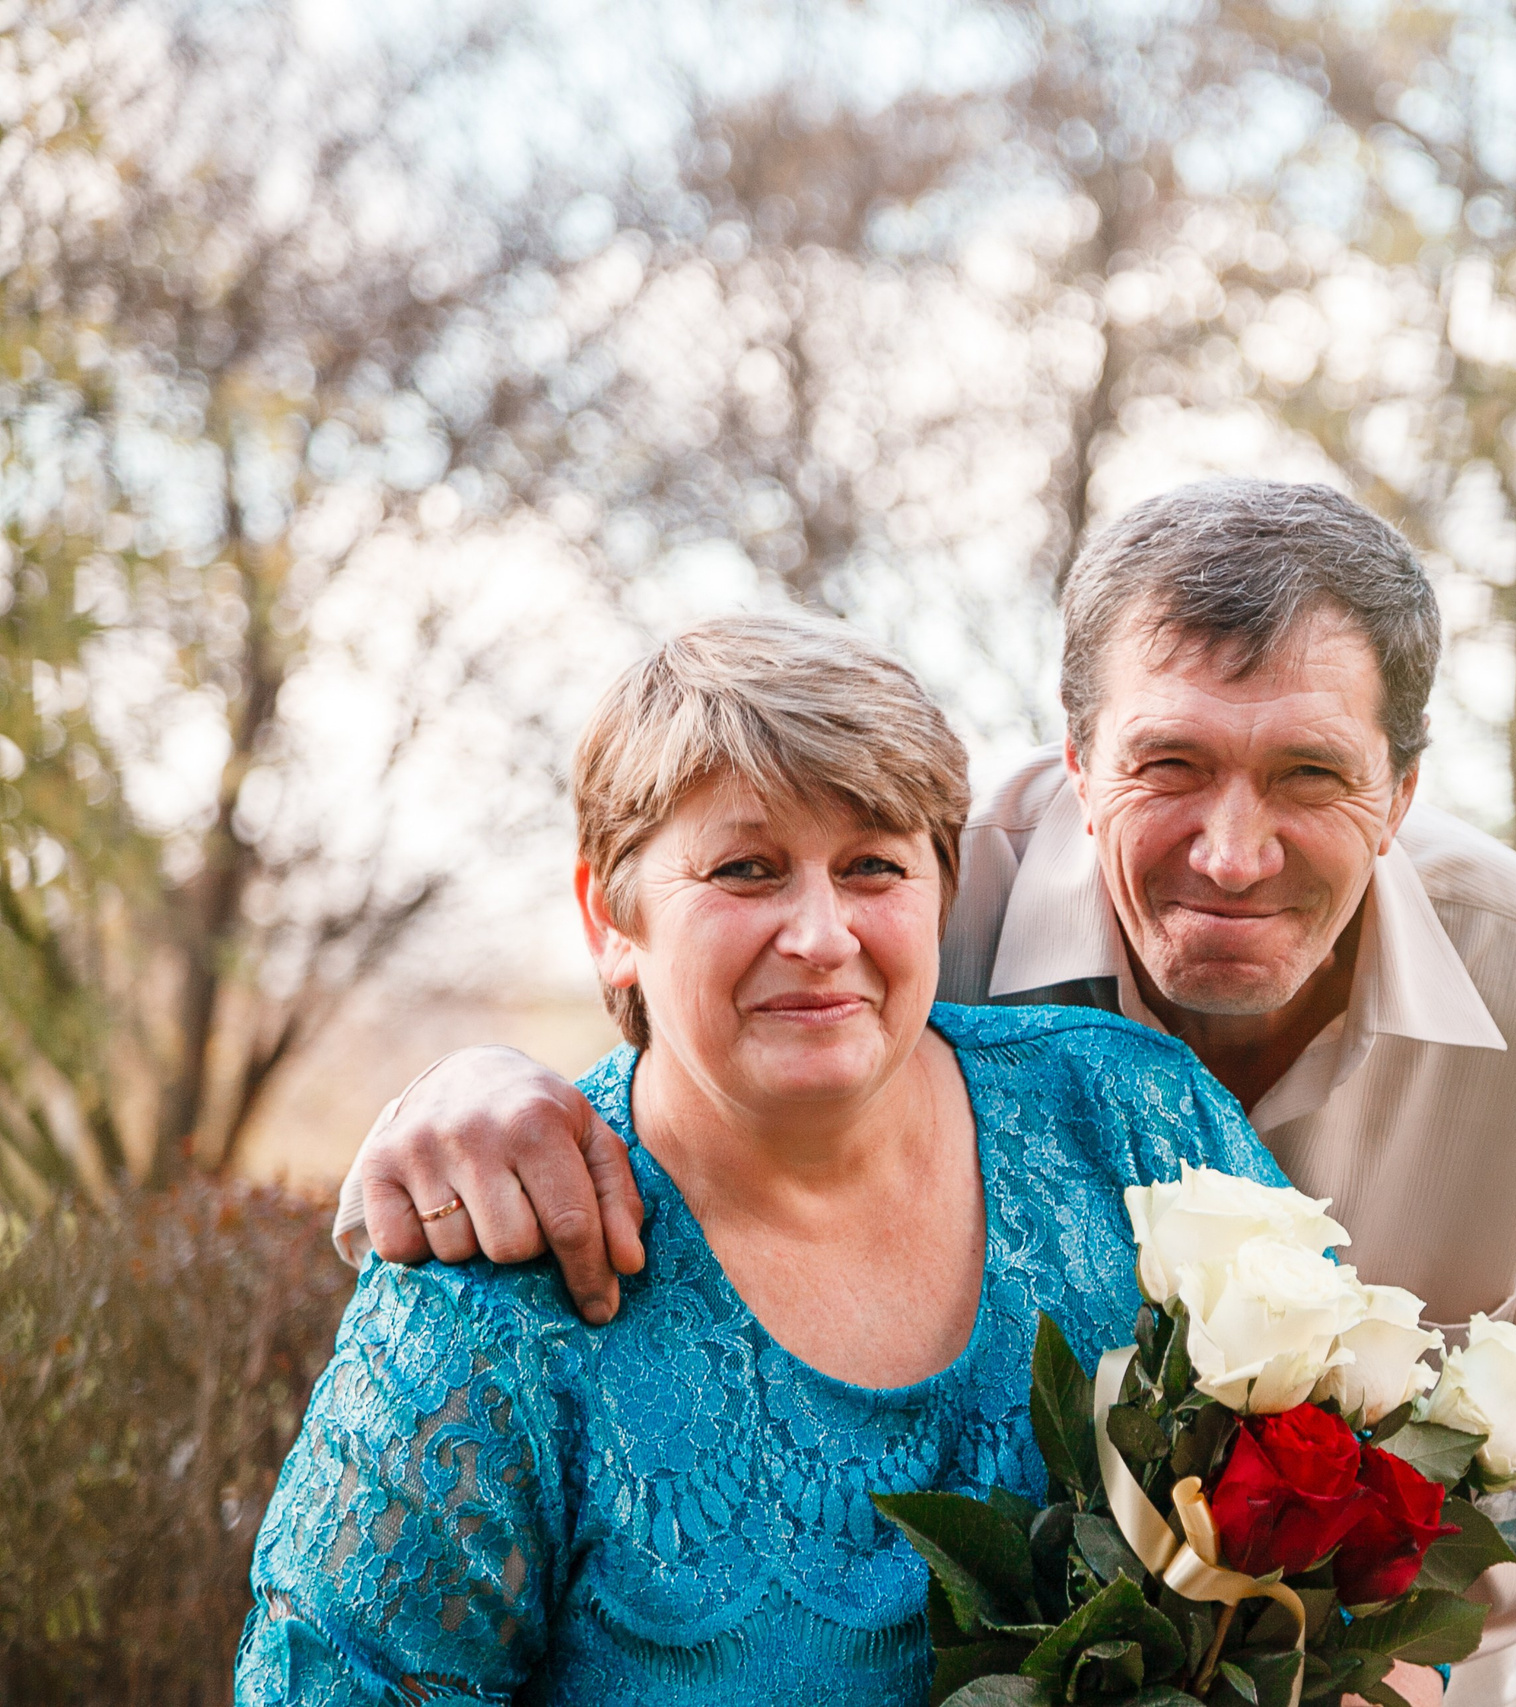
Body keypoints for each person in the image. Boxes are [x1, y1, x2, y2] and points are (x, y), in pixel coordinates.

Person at [335, 480, 1516, 1706]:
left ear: (1402, 790)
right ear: (1077, 761)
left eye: (1310, 774)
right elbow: (687, 1004)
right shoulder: (915, 877)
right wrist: (467, 1083)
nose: (1232, 851)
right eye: (1170, 764)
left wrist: (1374, 1673)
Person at [237, 616, 1299, 1704]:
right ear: (610, 919)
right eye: (746, 870)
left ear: (943, 886)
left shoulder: (1132, 1125)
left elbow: (1345, 1564)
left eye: (873, 865)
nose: (822, 935)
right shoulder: (495, 1288)